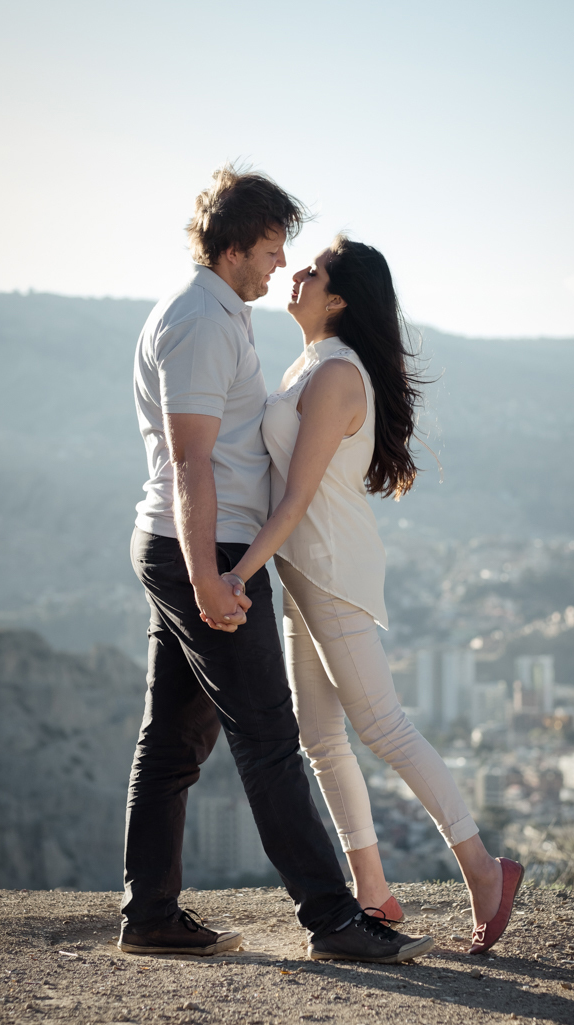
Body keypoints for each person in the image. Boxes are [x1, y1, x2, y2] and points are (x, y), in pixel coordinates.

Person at [119, 166, 434, 966]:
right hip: (208, 550)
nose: (276, 266)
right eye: (267, 249)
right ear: (231, 248)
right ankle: (333, 919)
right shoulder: (202, 322)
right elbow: (194, 463)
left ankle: (149, 914)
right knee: (267, 735)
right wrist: (206, 580)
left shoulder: (212, 315)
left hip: (197, 546)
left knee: (172, 742)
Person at [209, 235, 524, 954]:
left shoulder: (334, 378)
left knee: (383, 727)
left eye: (312, 271)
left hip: (330, 570)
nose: (296, 274)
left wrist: (237, 573)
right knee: (321, 739)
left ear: (341, 298)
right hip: (305, 572)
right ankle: (373, 892)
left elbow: (295, 499)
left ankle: (483, 870)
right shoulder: (310, 365)